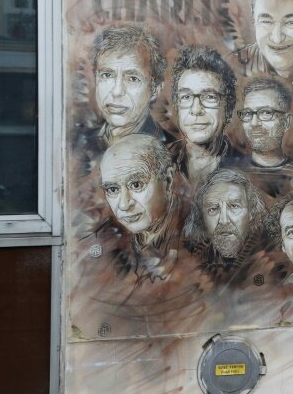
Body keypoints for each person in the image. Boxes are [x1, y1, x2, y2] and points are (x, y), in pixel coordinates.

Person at [98, 133, 181, 282]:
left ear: (168, 181)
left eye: (136, 185)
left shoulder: (195, 236)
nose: (124, 204)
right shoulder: (104, 242)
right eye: (112, 189)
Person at [80, 25, 173, 154]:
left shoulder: (173, 151)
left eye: (133, 79)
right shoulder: (79, 144)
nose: (117, 92)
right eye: (107, 75)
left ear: (155, 89)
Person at [169, 45, 240, 186]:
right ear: (177, 107)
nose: (196, 109)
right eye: (186, 97)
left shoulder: (244, 168)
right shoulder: (159, 161)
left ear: (229, 108)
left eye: (209, 96)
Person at [225, 77, 293, 197]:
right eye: (248, 113)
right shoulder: (230, 172)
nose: (254, 123)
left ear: (286, 122)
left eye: (266, 113)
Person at [183, 168, 266, 281]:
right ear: (202, 217)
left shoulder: (270, 255)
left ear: (251, 212)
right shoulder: (190, 260)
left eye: (234, 206)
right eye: (213, 209)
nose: (223, 220)